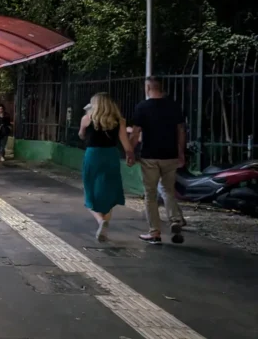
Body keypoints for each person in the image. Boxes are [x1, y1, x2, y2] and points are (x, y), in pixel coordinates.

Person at [130, 77, 187, 245]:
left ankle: (154, 232)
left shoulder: (142, 107)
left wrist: (130, 151)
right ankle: (175, 220)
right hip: (170, 156)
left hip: (150, 156)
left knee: (150, 194)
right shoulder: (173, 106)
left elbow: (135, 133)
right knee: (168, 190)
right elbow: (181, 131)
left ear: (148, 88)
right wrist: (181, 152)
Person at [79, 93, 134, 242]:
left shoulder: (87, 119)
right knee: (109, 190)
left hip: (93, 155)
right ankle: (105, 222)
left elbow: (82, 136)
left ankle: (100, 221)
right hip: (111, 155)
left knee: (90, 190)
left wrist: (83, 129)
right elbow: (126, 144)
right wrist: (130, 155)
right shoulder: (119, 121)